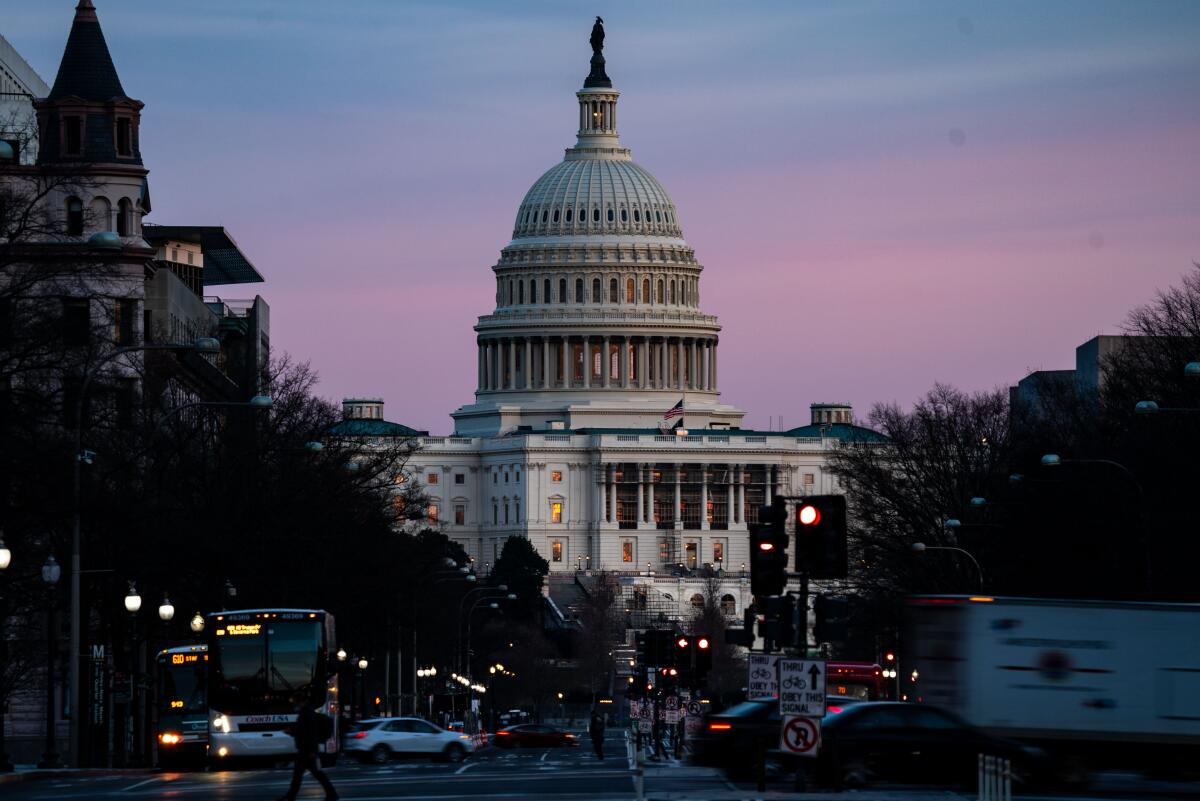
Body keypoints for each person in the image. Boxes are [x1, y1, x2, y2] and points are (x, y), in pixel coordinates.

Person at [278, 696, 338, 801]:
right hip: (307, 750)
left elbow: (310, 733)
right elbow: (304, 731)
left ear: (302, 702)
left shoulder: (307, 714)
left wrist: (312, 750)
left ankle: (290, 797)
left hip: (307, 751)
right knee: (312, 774)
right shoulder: (307, 713)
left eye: (296, 703)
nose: (295, 706)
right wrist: (293, 731)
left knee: (302, 775)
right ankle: (331, 794)